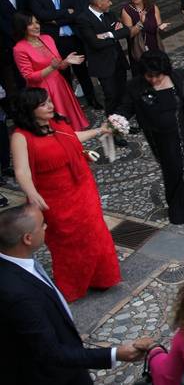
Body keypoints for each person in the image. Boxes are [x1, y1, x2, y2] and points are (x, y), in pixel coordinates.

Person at [0, 204, 152, 385]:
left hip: (64, 350)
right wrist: (116, 353)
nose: (47, 228)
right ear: (27, 239)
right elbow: (48, 352)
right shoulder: (14, 292)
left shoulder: (22, 260)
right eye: (42, 225)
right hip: (37, 371)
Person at [10, 88, 121, 302]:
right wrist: (32, 195)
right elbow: (21, 171)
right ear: (29, 110)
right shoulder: (20, 136)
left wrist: (99, 130)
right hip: (54, 197)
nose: (50, 106)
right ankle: (73, 286)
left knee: (95, 233)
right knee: (66, 242)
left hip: (82, 187)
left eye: (50, 101)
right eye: (43, 104)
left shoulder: (57, 124)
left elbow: (73, 137)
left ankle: (102, 278)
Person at [117, 51, 184, 225]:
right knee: (172, 168)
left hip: (182, 131)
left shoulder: (177, 76)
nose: (154, 80)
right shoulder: (135, 86)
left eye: (158, 76)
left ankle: (183, 207)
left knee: (180, 166)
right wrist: (116, 119)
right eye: (150, 76)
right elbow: (125, 107)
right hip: (158, 136)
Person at [29, 0, 99, 109]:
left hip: (73, 38)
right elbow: (41, 15)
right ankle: (69, 104)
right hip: (53, 42)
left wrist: (55, 20)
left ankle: (92, 99)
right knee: (63, 74)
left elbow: (78, 14)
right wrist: (66, 11)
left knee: (82, 72)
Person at [12, 13, 89, 131]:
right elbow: (28, 76)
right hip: (41, 91)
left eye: (37, 22)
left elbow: (58, 65)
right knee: (55, 123)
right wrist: (51, 68)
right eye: (30, 24)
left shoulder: (47, 38)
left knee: (69, 121)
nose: (36, 26)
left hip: (59, 84)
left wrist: (67, 61)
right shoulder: (19, 49)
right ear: (22, 27)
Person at [74, 0, 138, 120]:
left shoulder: (109, 14)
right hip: (103, 65)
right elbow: (95, 43)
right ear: (98, 3)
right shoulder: (83, 19)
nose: (111, 3)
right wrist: (114, 35)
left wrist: (108, 34)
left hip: (118, 61)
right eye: (108, 1)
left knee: (122, 93)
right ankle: (113, 128)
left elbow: (125, 31)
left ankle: (123, 121)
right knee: (111, 96)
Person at [120, 0, 169, 72]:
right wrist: (140, 23)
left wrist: (162, 27)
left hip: (154, 47)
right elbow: (129, 34)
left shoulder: (153, 7)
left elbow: (158, 27)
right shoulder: (127, 10)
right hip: (139, 50)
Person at [0, 0, 29, 103]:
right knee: (19, 74)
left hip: (29, 35)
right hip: (9, 41)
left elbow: (28, 8)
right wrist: (16, 35)